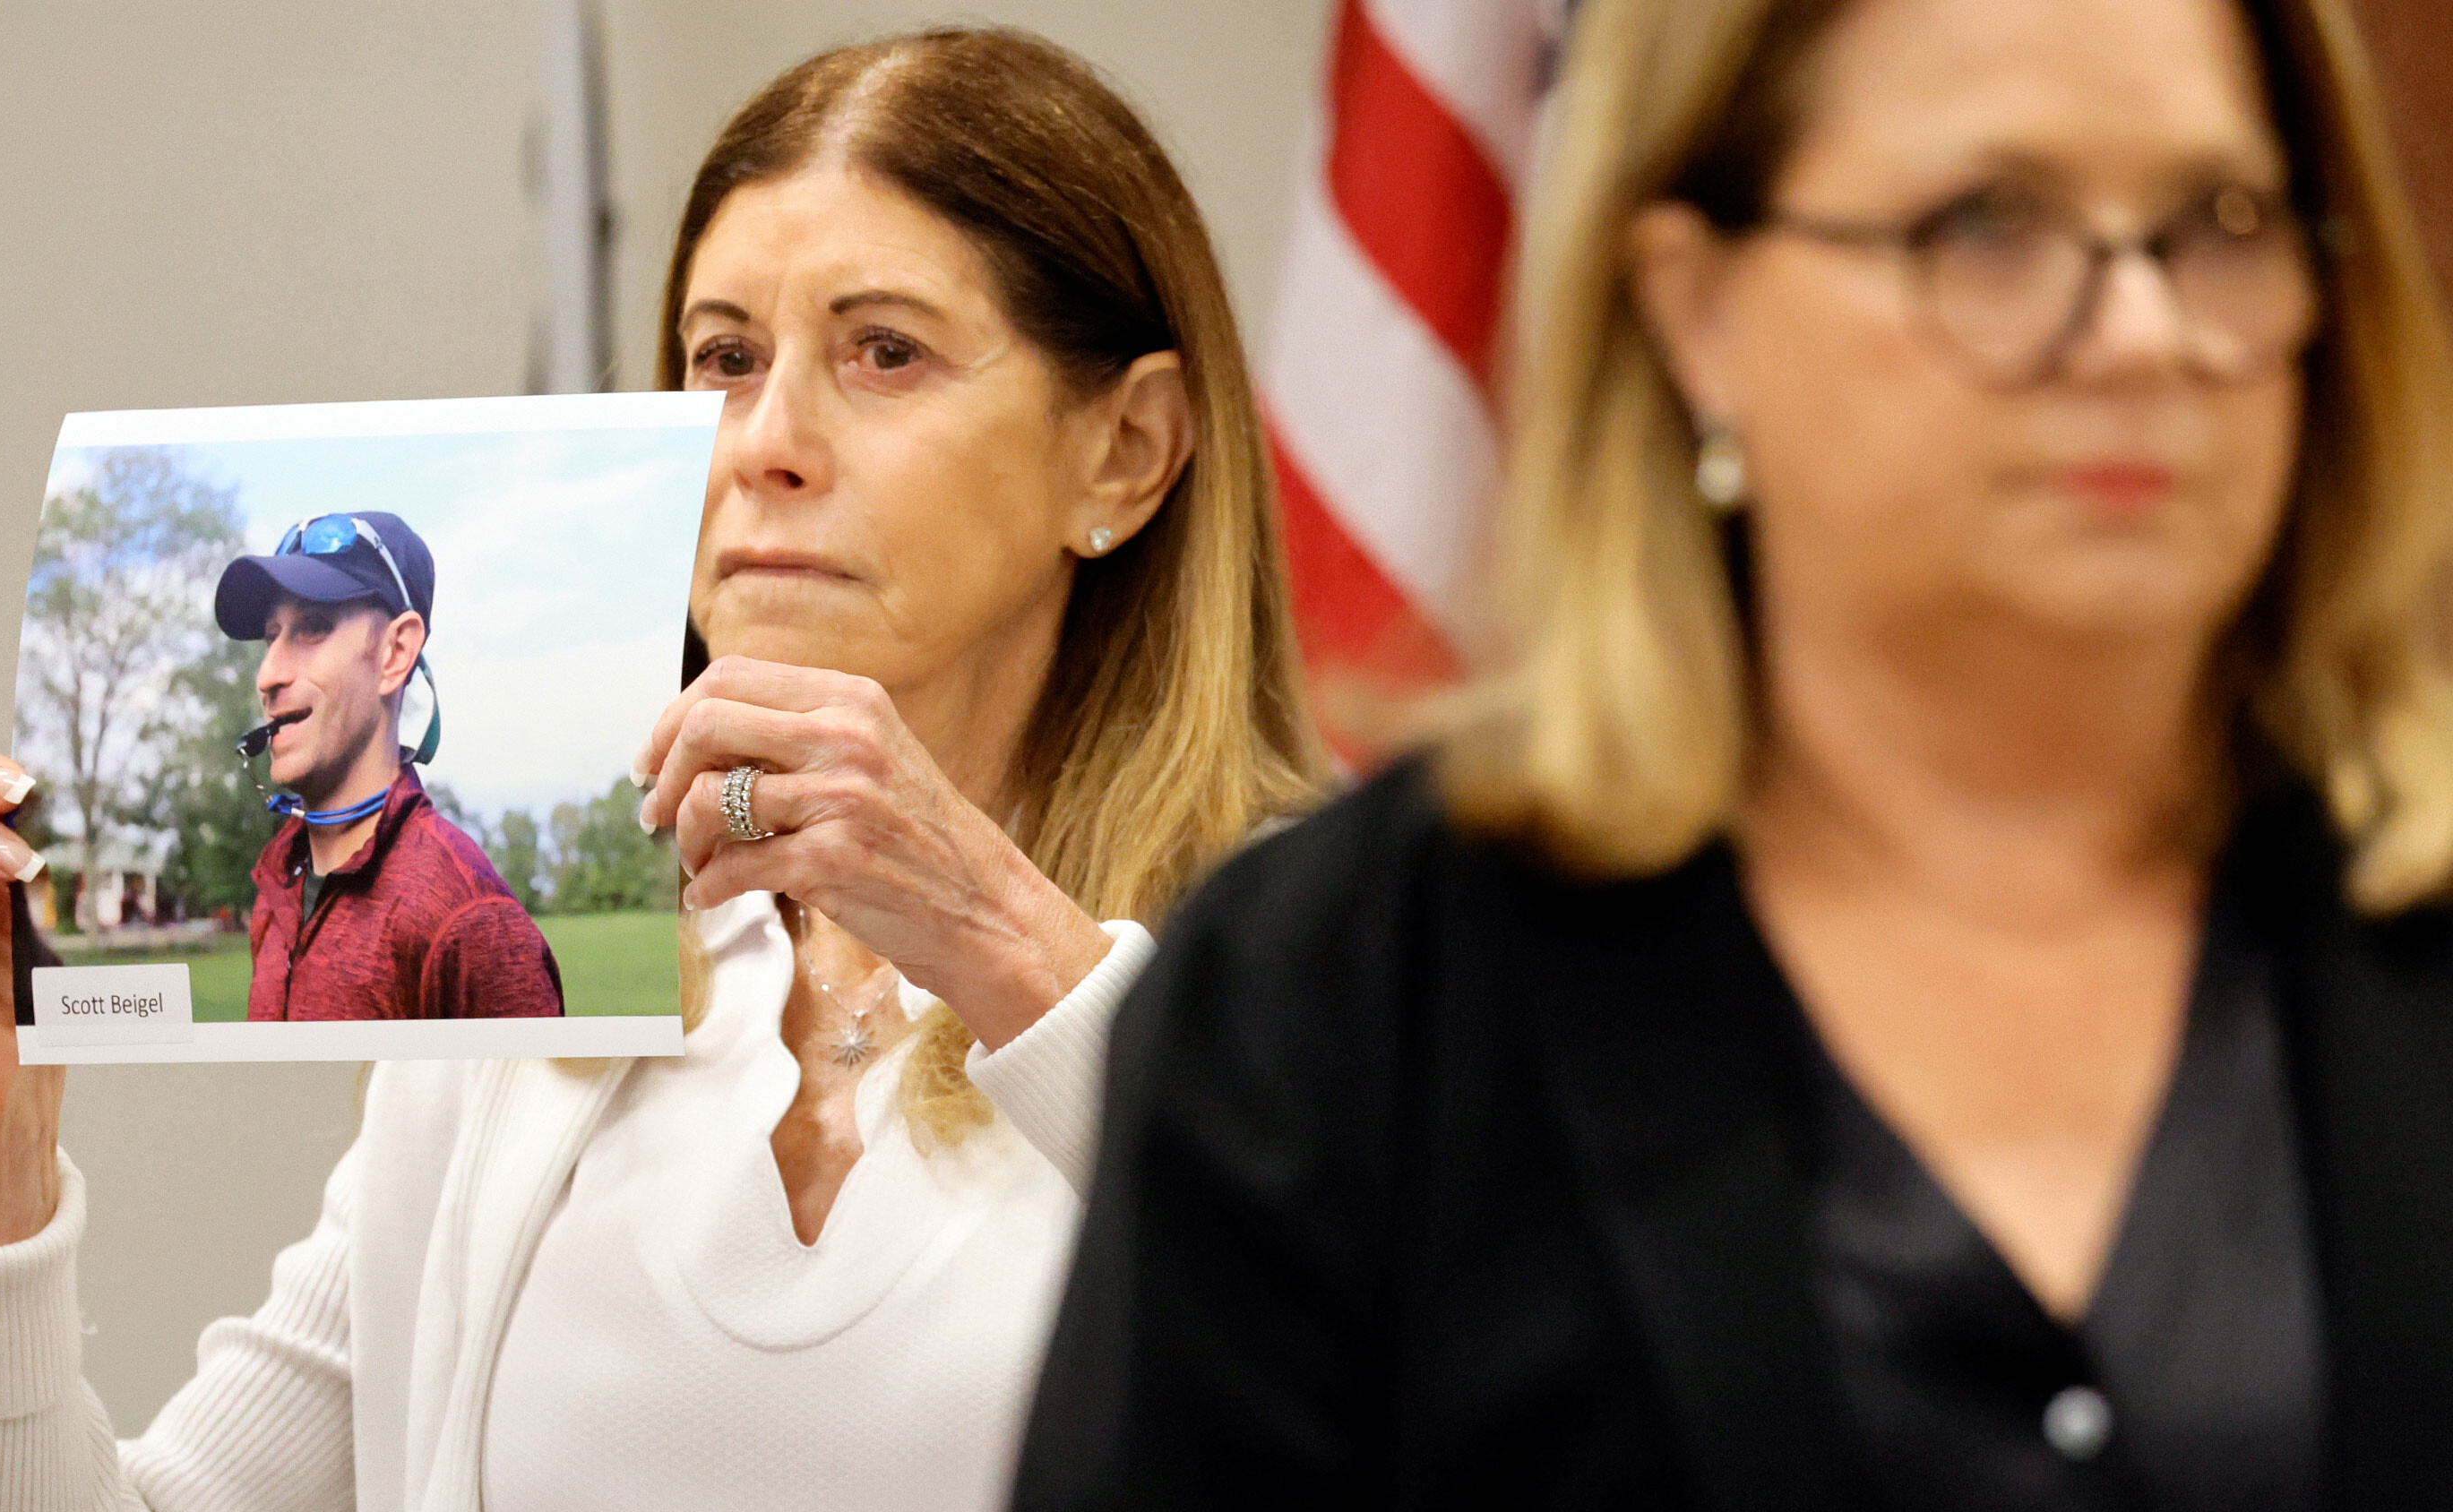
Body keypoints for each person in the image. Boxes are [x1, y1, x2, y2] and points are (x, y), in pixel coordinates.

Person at [0, 23, 1318, 1512]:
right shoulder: (532, 991)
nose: (765, 441)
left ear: (1127, 447)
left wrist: (1002, 945)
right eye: (722, 357)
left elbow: (1376, 1374)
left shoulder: (1328, 960)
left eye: (885, 353)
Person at [1016, 0, 2453, 1507]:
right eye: (1990, 222)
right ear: (1695, 309)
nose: (2145, 331)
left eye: (2222, 222)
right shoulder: (1339, 997)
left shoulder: (2408, 939)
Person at [215, 508, 564, 1020]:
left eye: (312, 627)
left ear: (395, 653)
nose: (268, 674)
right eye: (272, 637)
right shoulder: (278, 887)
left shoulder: (469, 923)